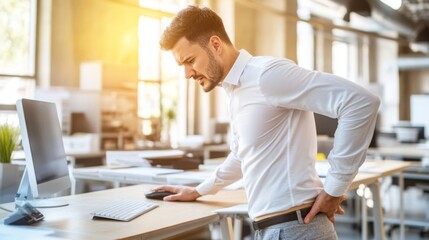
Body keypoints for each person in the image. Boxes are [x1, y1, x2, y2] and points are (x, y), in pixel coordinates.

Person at [154, 5, 380, 240]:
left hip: (298, 228)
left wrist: (335, 188)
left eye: (190, 61)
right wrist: (199, 190)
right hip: (274, 229)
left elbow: (360, 103)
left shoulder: (267, 75)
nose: (187, 74)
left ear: (215, 44)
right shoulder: (236, 90)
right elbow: (242, 156)